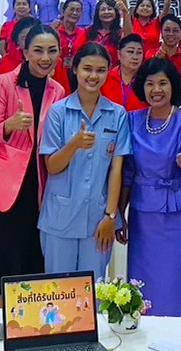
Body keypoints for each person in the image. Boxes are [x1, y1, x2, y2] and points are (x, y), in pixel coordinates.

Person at [0, 24, 68, 302]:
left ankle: (25, 323)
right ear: (25, 52)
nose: (45, 58)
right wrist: (8, 126)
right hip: (2, 190)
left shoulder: (58, 91)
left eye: (52, 51)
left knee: (31, 261)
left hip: (39, 189)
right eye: (38, 51)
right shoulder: (4, 83)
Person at [118, 56, 181, 318]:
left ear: (173, 85)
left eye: (163, 83)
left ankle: (176, 333)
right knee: (142, 281)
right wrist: (120, 214)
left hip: (177, 214)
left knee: (174, 281)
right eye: (150, 83)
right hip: (142, 214)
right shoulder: (132, 119)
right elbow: (127, 172)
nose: (156, 90)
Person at [38, 42, 130, 274]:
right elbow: (52, 166)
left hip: (99, 219)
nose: (93, 76)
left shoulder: (117, 114)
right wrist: (74, 145)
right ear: (75, 69)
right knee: (59, 288)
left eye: (101, 70)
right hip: (60, 218)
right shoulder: (58, 112)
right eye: (87, 69)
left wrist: (110, 216)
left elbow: (116, 169)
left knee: (95, 287)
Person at [103, 34, 148, 111]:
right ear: (119, 54)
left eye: (139, 52)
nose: (135, 57)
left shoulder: (146, 80)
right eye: (130, 52)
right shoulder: (105, 78)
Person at [152, 14, 181, 89]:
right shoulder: (151, 53)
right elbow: (149, 75)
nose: (171, 34)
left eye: (175, 31)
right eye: (167, 30)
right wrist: (156, 60)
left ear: (180, 34)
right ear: (161, 32)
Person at [55, 0, 86, 74]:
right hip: (56, 72)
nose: (75, 13)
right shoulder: (54, 30)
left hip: (76, 73)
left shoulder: (83, 33)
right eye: (71, 9)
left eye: (78, 10)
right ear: (63, 11)